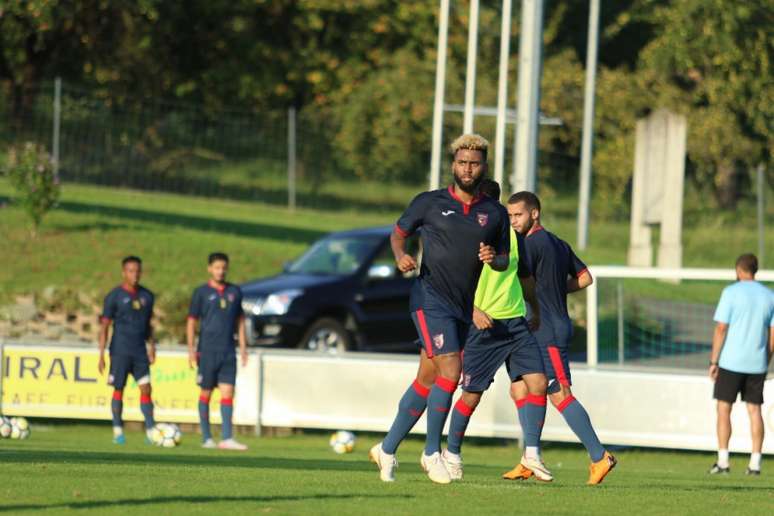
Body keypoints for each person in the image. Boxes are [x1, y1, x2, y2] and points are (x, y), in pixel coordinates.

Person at [369, 134, 511, 484]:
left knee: (428, 377)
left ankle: (386, 449)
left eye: (474, 163)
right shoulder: (429, 203)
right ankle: (432, 452)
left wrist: (494, 259)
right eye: (462, 162)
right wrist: (401, 254)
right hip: (429, 298)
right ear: (453, 164)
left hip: (462, 307)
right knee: (452, 368)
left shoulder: (494, 212)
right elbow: (399, 232)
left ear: (484, 166)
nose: (467, 168)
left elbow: (505, 258)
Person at [441, 179, 552, 482]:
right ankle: (451, 453)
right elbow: (451, 283)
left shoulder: (514, 238)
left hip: (515, 323)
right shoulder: (465, 239)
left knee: (539, 383)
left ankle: (532, 454)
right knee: (472, 397)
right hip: (485, 328)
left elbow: (524, 277)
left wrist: (536, 309)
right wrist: (473, 311)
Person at [503, 191, 617, 485]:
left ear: (535, 214)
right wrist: (555, 290)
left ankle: (599, 456)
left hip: (547, 327)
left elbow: (524, 282)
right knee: (520, 389)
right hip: (537, 327)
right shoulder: (558, 242)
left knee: (559, 393)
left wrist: (544, 299)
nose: (513, 221)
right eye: (510, 215)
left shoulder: (529, 244)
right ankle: (529, 458)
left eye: (518, 215)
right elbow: (585, 277)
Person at [708, 253, 774, 475]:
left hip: (731, 362)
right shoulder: (769, 295)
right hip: (757, 362)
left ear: (738, 270)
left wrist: (713, 360)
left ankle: (723, 461)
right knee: (755, 411)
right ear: (755, 270)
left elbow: (721, 328)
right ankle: (755, 464)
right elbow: (773, 333)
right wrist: (767, 358)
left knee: (724, 408)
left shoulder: (730, 292)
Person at [187, 252, 249, 451]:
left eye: (223, 268)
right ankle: (206, 437)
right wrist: (190, 349)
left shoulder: (235, 291)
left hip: (228, 350)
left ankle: (227, 438)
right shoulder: (201, 292)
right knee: (206, 392)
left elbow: (240, 320)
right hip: (207, 351)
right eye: (217, 267)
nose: (220, 271)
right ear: (209, 269)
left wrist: (243, 347)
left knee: (228, 392)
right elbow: (191, 321)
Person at [98, 256, 156, 444]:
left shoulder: (147, 296)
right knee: (118, 389)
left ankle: (150, 431)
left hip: (140, 351)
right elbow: (105, 326)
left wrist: (152, 345)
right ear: (124, 272)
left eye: (137, 271)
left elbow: (148, 325)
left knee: (146, 389)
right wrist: (101, 354)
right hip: (120, 350)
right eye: (131, 271)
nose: (135, 274)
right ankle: (118, 432)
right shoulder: (114, 296)